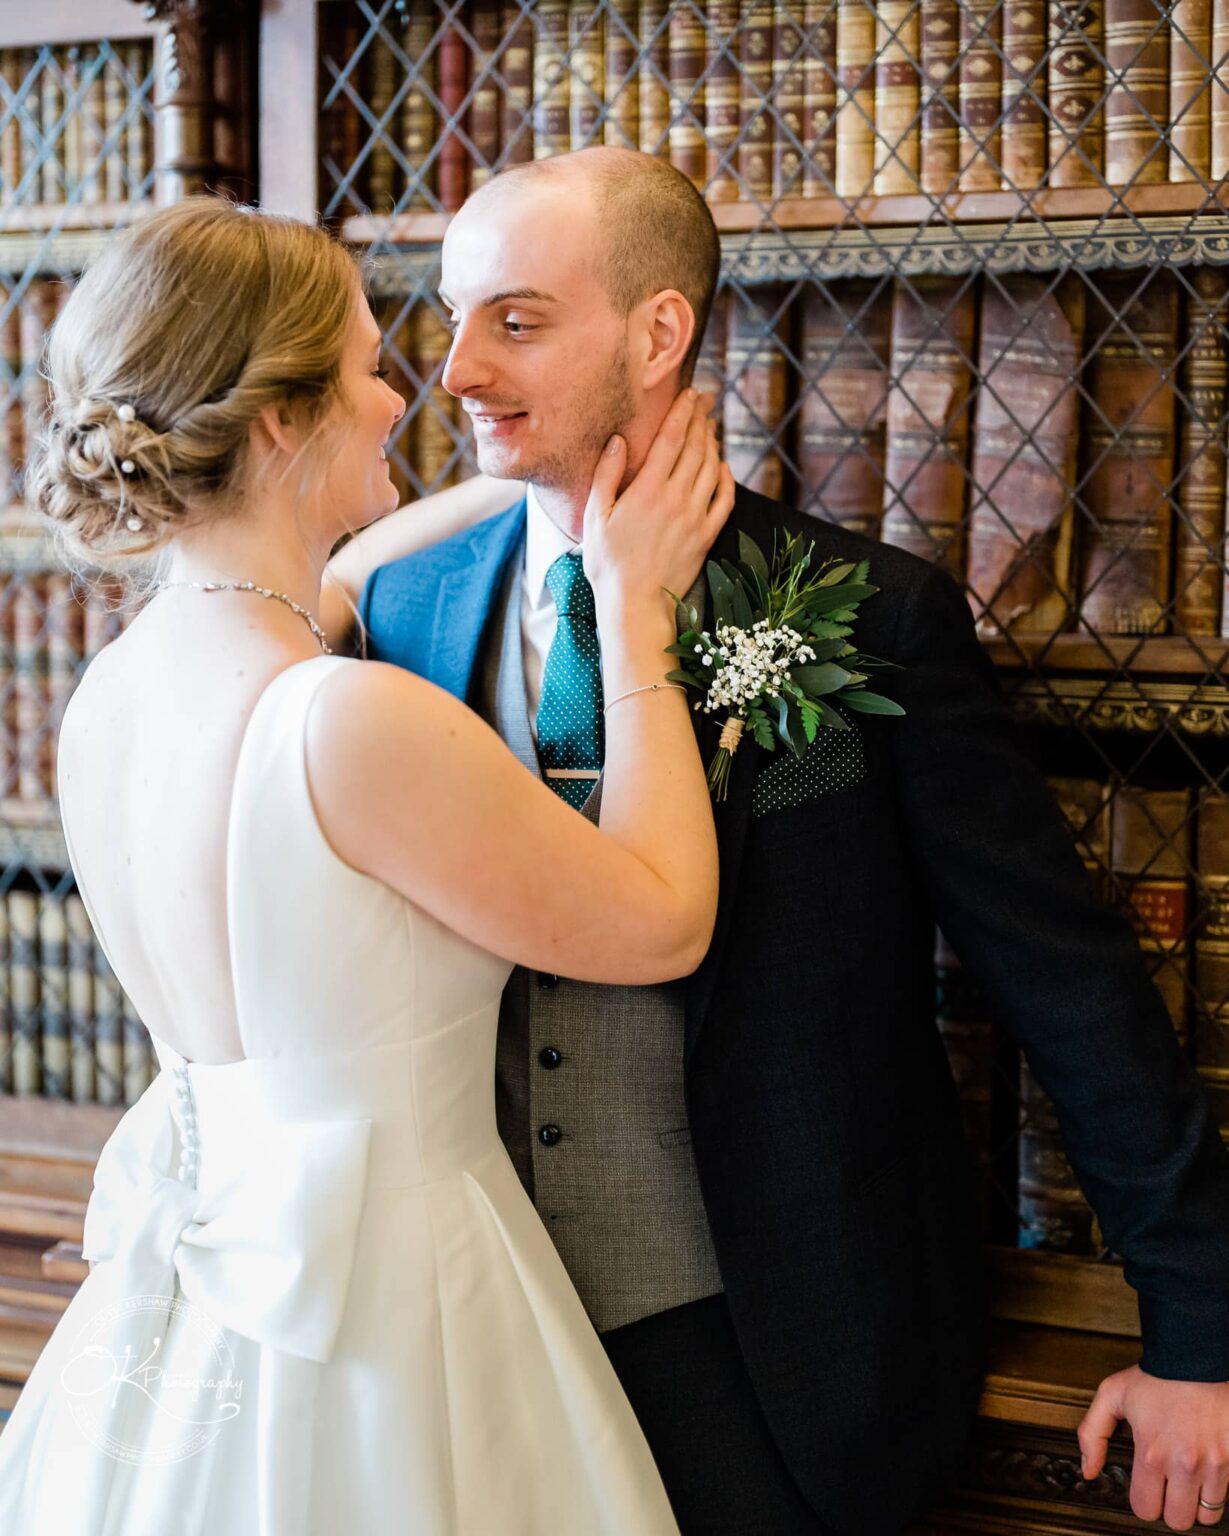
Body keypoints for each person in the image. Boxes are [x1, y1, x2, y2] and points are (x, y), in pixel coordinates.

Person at [357, 145, 1229, 1536]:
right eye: (452, 318)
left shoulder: (867, 613)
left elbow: (1059, 980)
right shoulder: (403, 608)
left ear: (658, 333)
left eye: (515, 322)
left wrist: (1198, 1329)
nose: (454, 370)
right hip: (467, 1326)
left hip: (769, 1346)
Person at [0, 195, 735, 1534]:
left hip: (195, 1320)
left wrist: (528, 492)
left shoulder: (113, 692)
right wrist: (631, 619)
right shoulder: (350, 720)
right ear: (279, 421)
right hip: (401, 1300)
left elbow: (310, 593)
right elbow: (659, 924)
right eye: (363, 365)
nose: (405, 394)